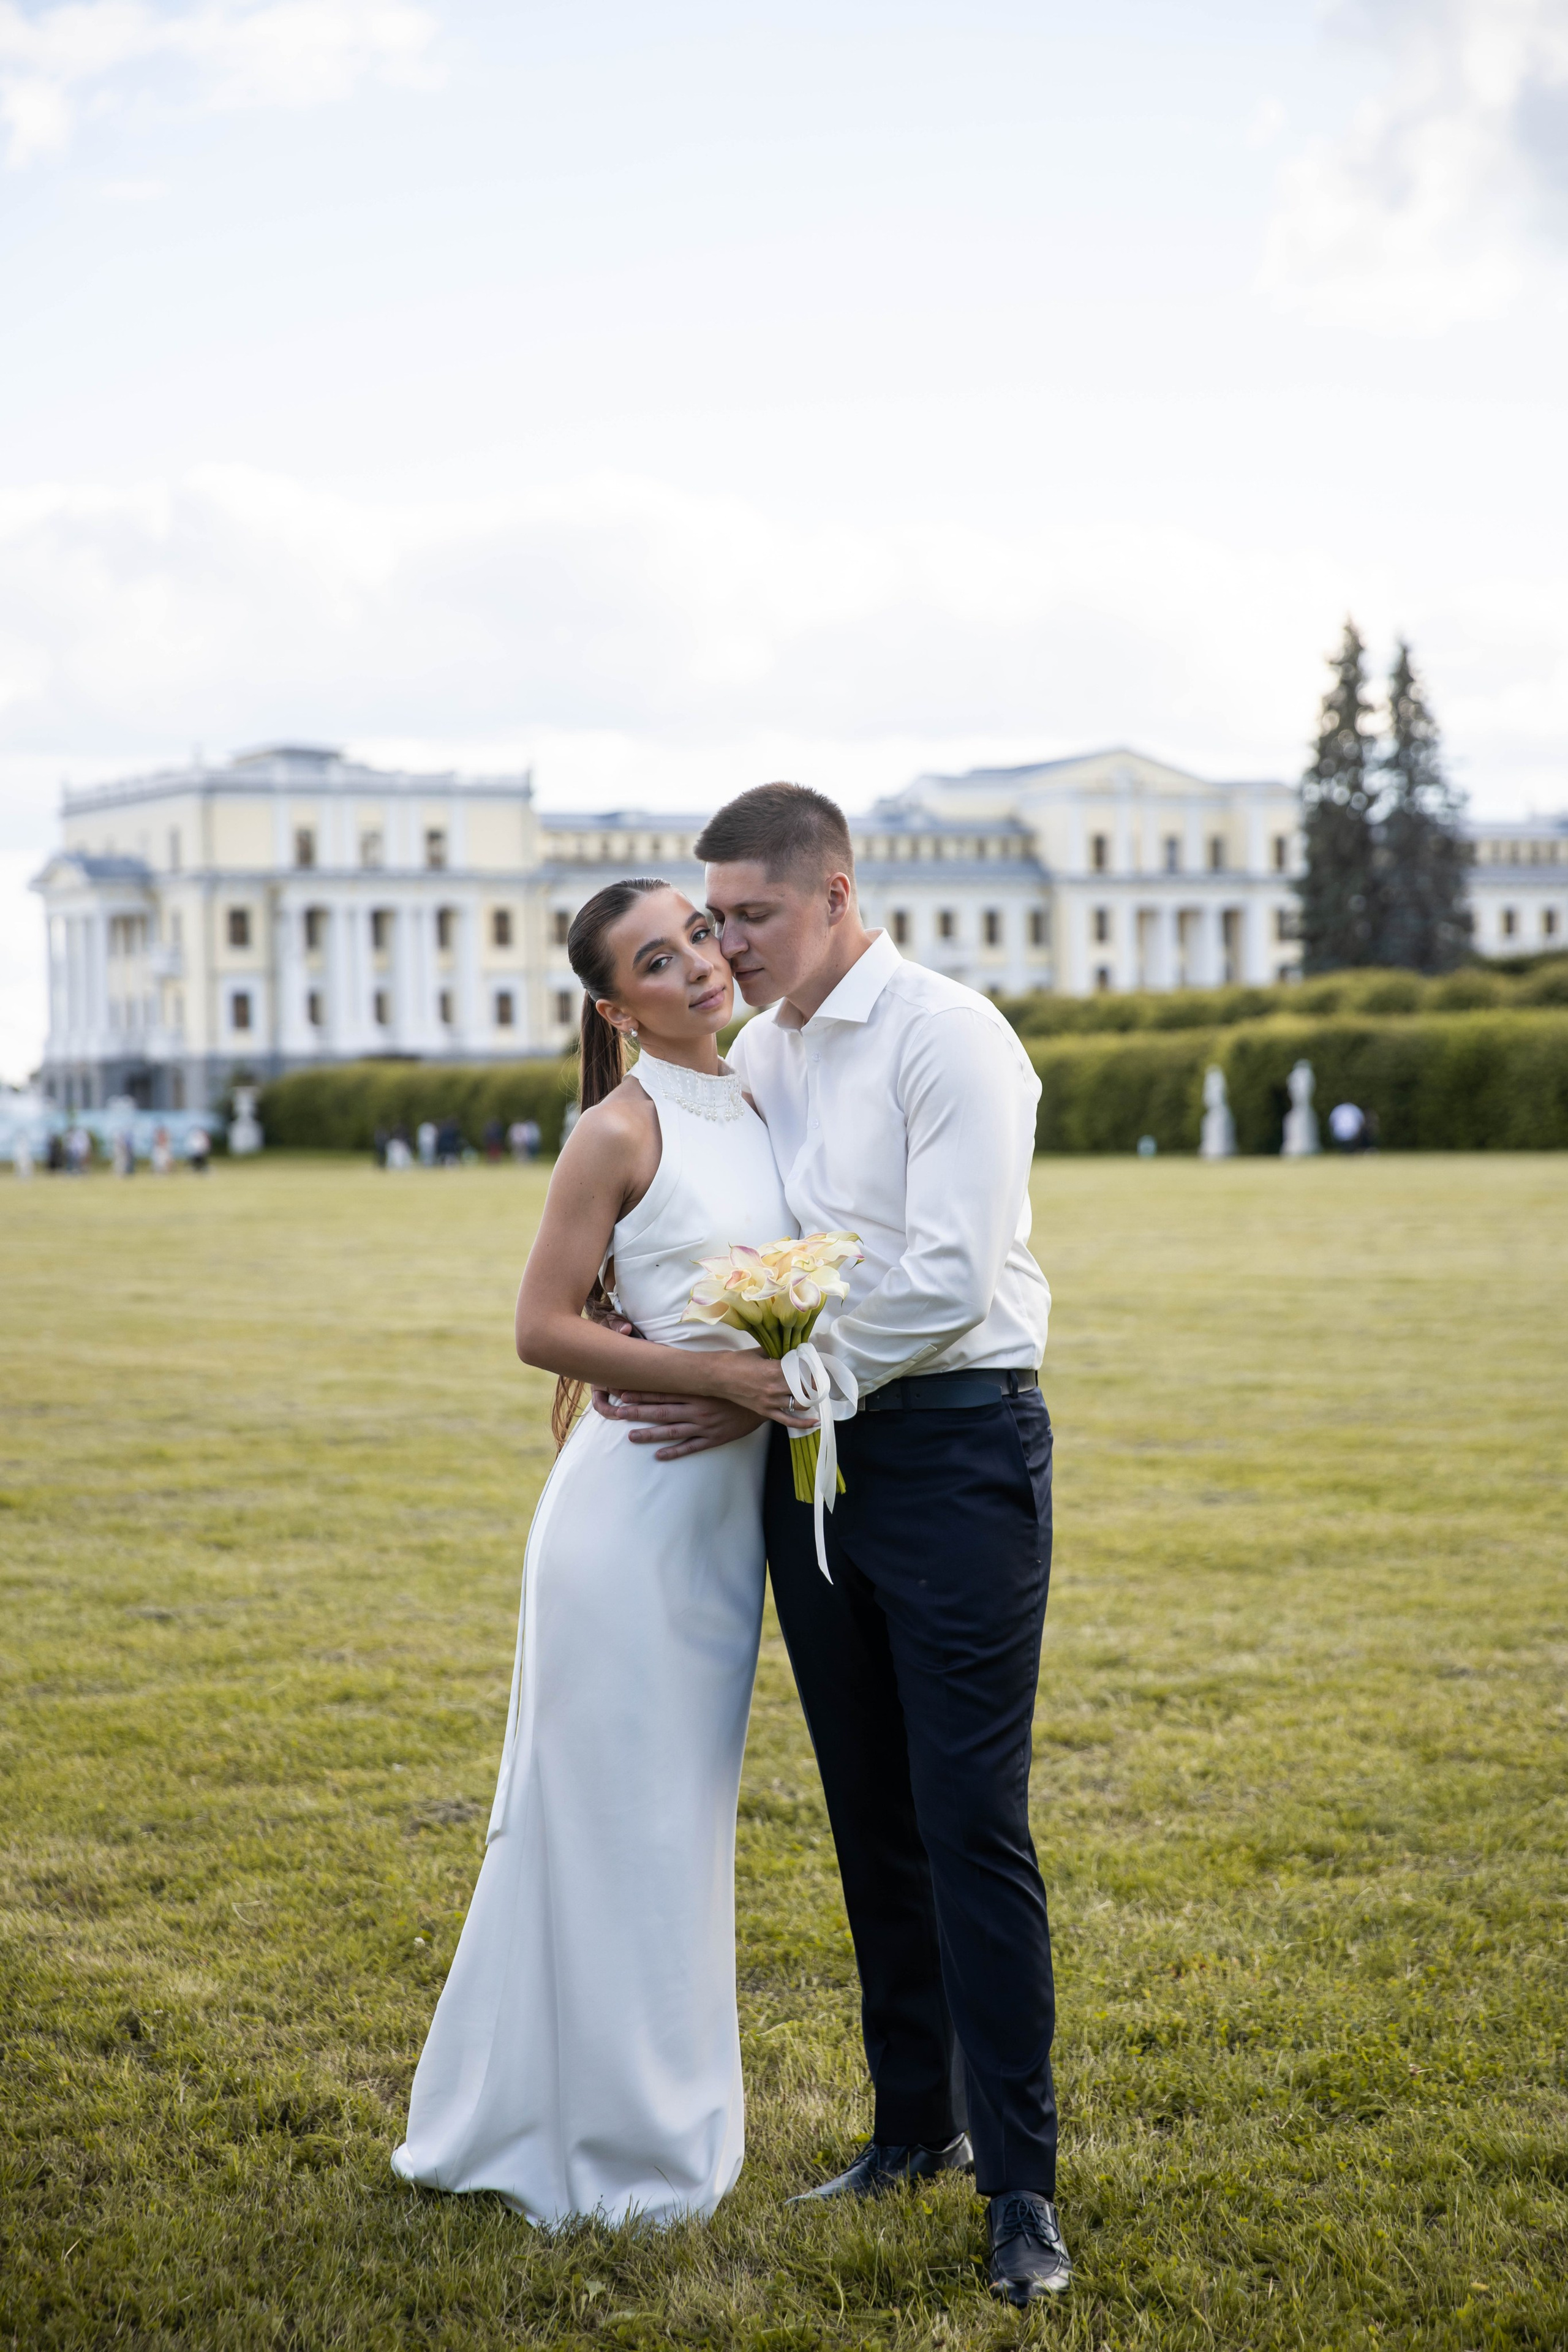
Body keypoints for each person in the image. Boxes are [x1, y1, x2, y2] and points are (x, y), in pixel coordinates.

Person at [596, 785, 1069, 2305]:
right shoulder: (768, 1057)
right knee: (869, 1812)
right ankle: (909, 2128)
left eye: (746, 916)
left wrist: (769, 1382)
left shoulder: (949, 1036)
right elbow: (727, 1240)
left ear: (836, 894)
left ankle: (1020, 2189)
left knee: (967, 1820)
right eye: (709, 921)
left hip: (950, 1447)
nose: (723, 947)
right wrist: (693, 1354)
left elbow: (941, 1279)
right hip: (811, 1454)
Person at [392, 880, 814, 2227]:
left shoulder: (762, 1094)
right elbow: (537, 1323)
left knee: (676, 1822)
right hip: (624, 1518)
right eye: (658, 959)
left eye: (699, 935)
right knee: (613, 1822)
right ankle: (602, 2145)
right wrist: (710, 1374)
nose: (697, 965)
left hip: (718, 1528)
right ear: (611, 1005)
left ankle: (648, 2121)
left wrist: (760, 1382)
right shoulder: (613, 1130)